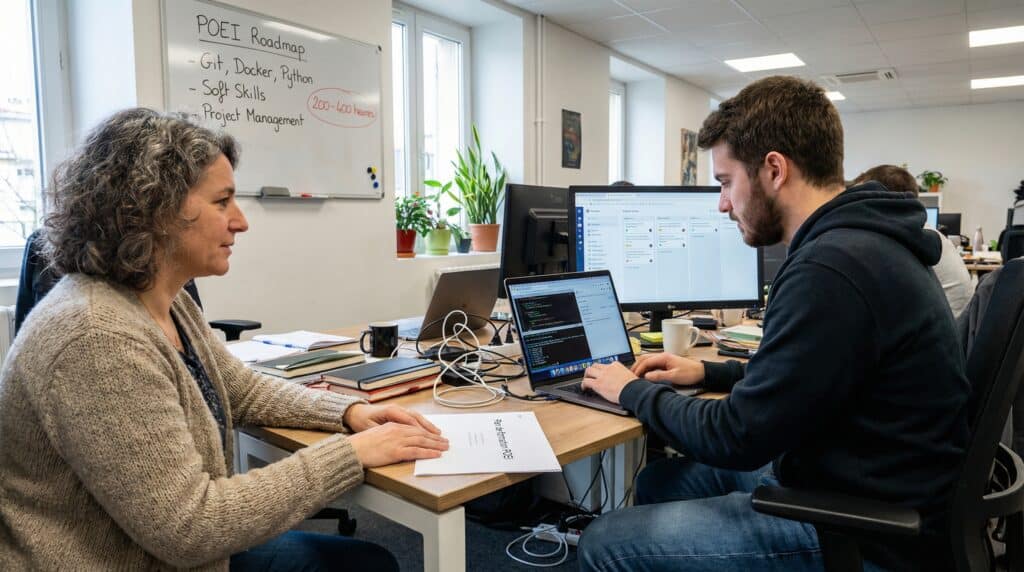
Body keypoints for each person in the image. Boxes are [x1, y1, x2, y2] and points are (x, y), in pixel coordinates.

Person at [0, 108, 448, 571]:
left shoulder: (163, 300)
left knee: (365, 564)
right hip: (121, 558)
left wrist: (348, 412)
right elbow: (191, 526)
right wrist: (349, 454)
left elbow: (241, 387)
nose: (240, 221)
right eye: (222, 202)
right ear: (154, 211)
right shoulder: (96, 339)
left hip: (161, 549)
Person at [577, 76, 970, 571]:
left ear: (774, 169)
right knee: (661, 482)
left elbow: (736, 436)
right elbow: (808, 374)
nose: (721, 204)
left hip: (859, 529)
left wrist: (629, 391)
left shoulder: (831, 269)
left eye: (725, 181)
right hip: (856, 480)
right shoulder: (862, 244)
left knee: (602, 541)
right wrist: (709, 373)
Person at [852, 164, 974, 318]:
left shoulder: (907, 238)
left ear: (880, 200)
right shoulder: (921, 232)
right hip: (955, 329)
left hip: (948, 330)